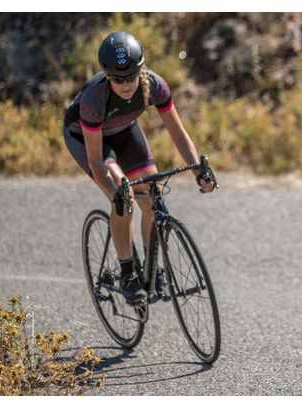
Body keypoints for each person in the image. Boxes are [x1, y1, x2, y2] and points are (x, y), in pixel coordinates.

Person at [63, 31, 215, 304]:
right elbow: (97, 162)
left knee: (151, 193)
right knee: (126, 197)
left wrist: (198, 171)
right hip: (88, 140)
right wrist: (114, 194)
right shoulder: (93, 100)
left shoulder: (154, 86)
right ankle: (128, 274)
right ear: (107, 76)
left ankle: (153, 268)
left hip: (124, 131)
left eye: (131, 76)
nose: (126, 84)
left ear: (140, 70)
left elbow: (179, 135)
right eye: (118, 79)